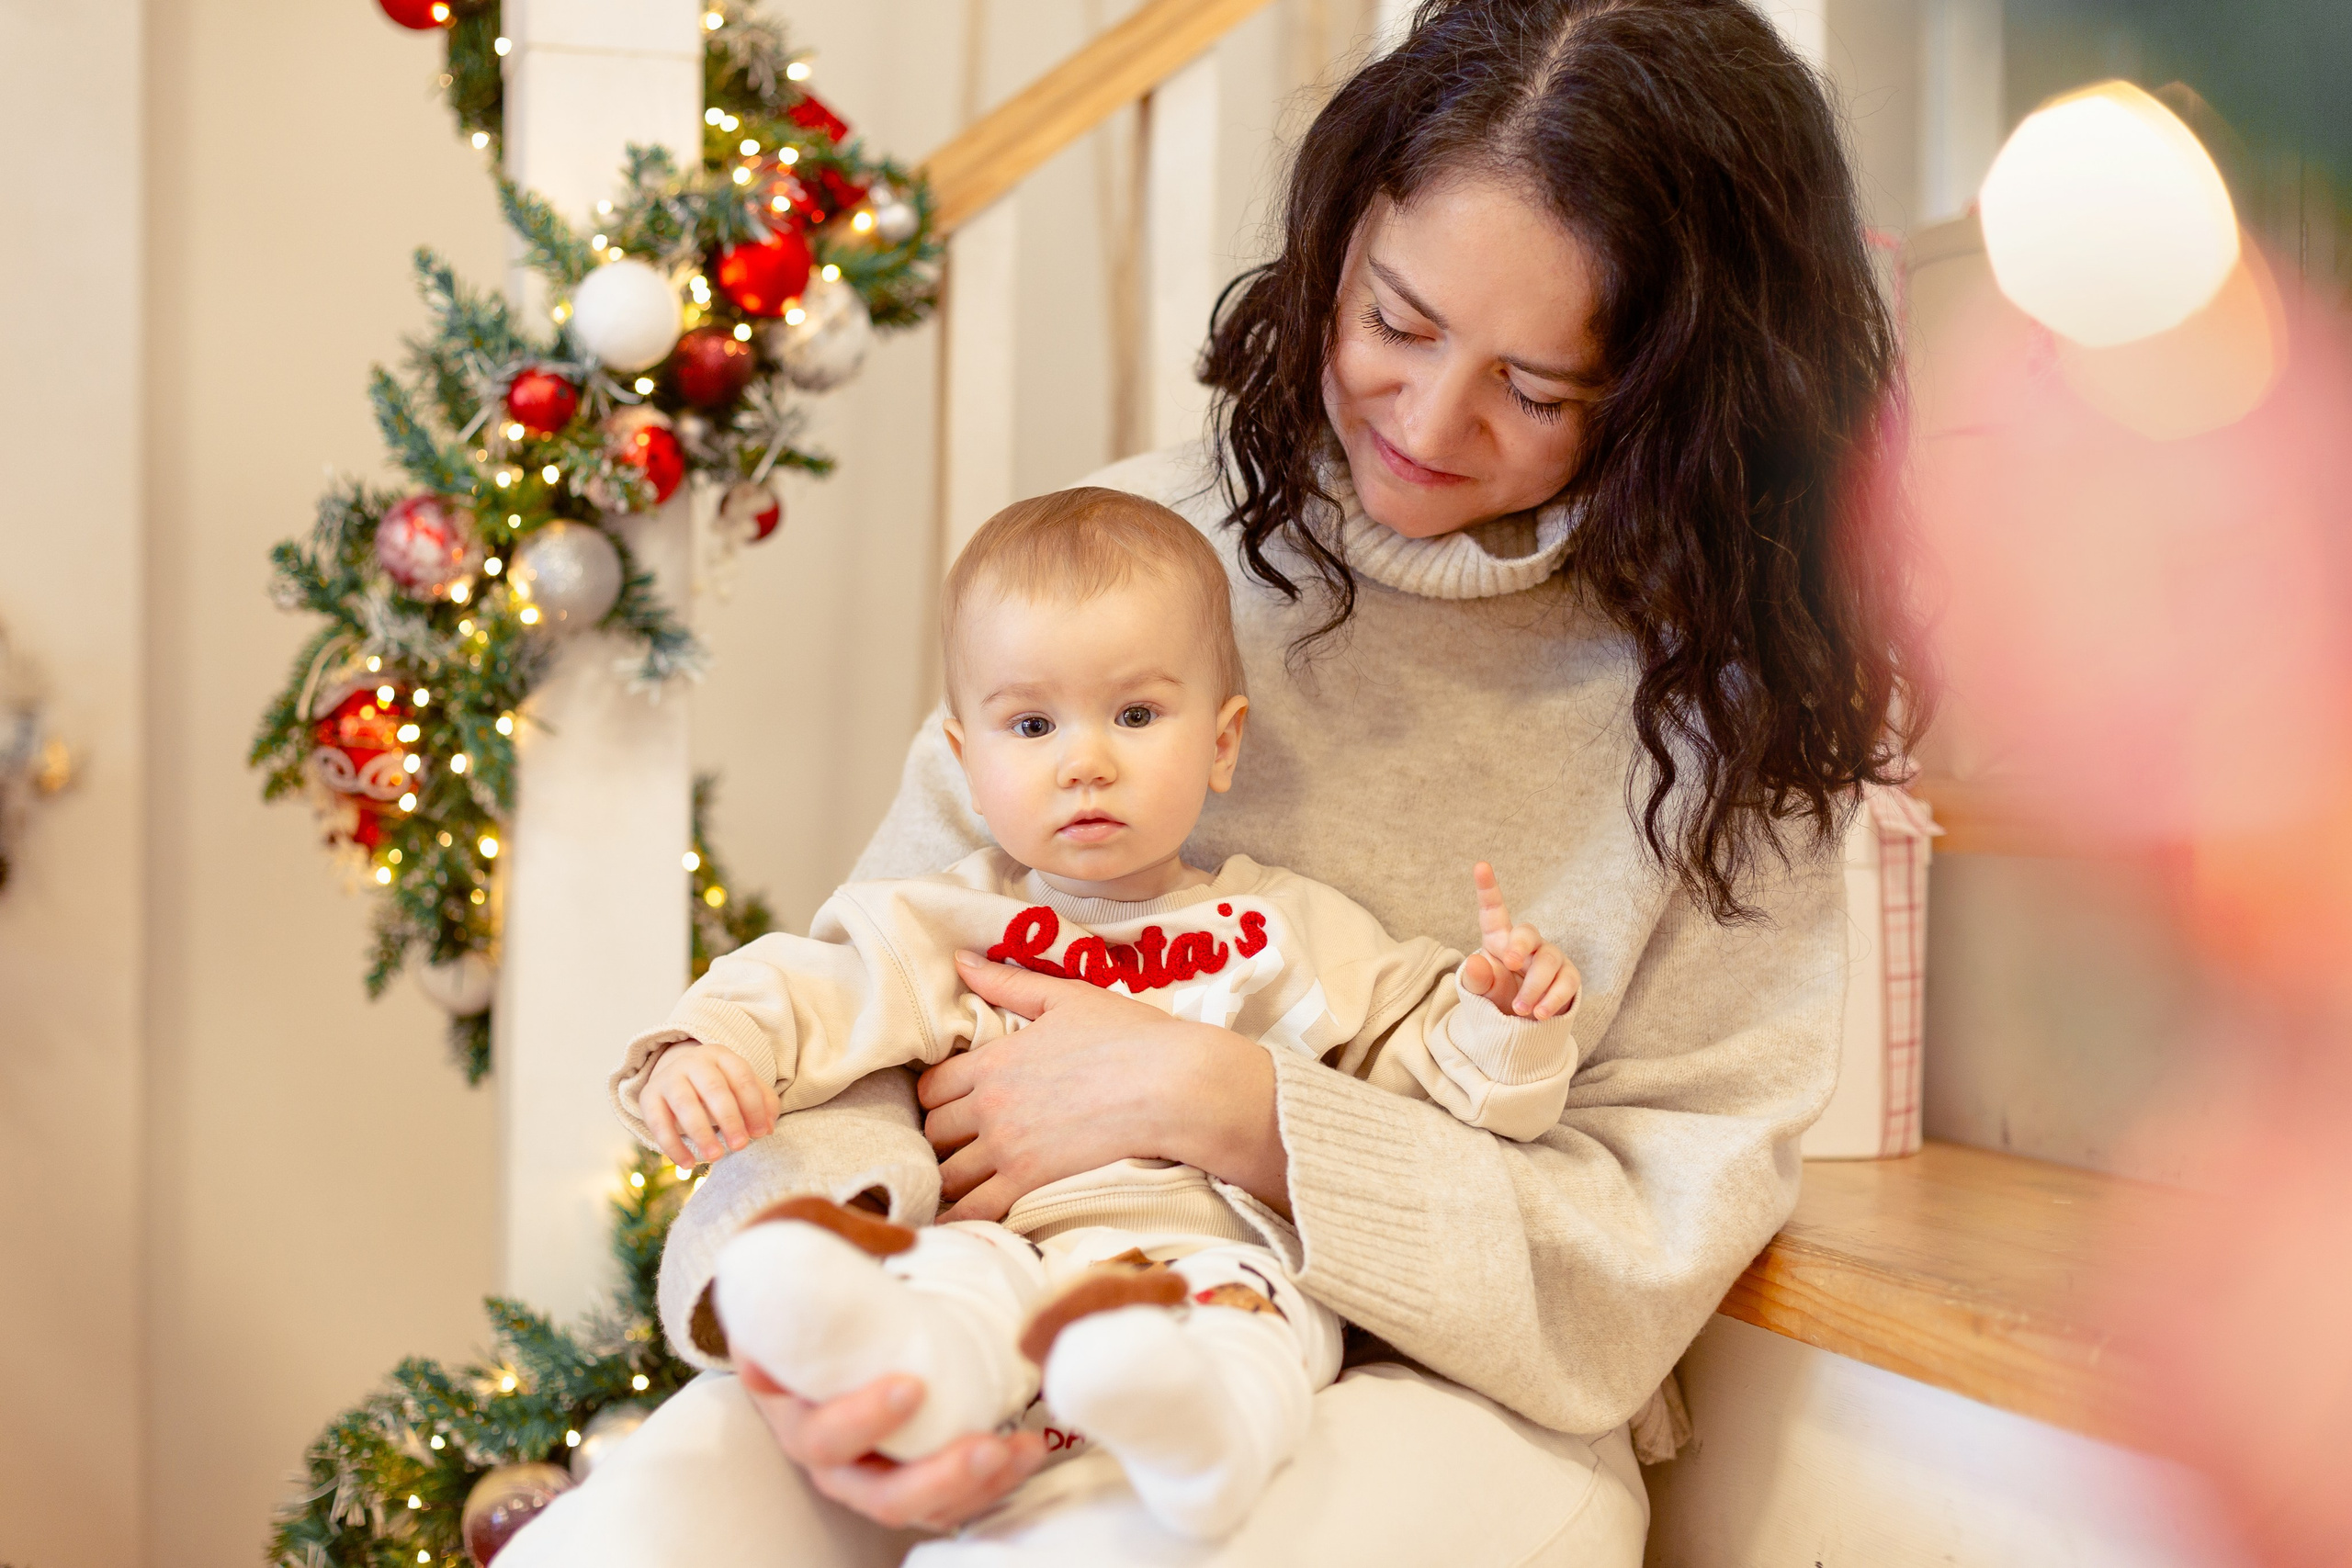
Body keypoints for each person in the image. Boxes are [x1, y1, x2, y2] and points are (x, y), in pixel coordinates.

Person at [504, 0, 1922, 1562]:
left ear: (1674, 386)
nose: (1431, 423)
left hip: (1448, 1401)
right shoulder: (1124, 559)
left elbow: (1638, 1244)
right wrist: (812, 1328)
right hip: (990, 1297)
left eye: (1540, 388)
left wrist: (1244, 1110)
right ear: (1335, 246)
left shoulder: (1733, 701)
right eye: (1395, 320)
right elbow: (867, 995)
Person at [616, 486, 1584, 1540]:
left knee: (1254, 1319)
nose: (1086, 762)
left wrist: (1507, 1017)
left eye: (1134, 716)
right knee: (945, 1283)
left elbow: (1431, 1073)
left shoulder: (1283, 928)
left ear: (1222, 744)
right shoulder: (940, 923)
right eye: (1031, 724)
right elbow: (800, 997)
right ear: (966, 761)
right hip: (1010, 1253)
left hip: (1221, 1260)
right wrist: (702, 1051)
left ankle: (1202, 1432)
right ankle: (899, 1371)